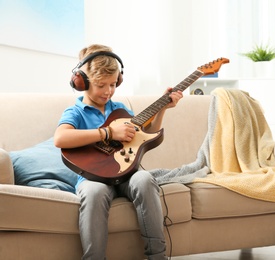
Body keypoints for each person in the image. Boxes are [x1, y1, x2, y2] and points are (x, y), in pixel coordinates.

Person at [54, 44, 183, 260]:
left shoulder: (120, 110)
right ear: (82, 82)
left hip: (126, 174)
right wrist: (108, 133)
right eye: (101, 85)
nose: (108, 91)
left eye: (113, 84)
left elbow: (145, 135)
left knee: (144, 178)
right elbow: (60, 138)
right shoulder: (76, 111)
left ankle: (157, 256)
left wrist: (162, 110)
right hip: (92, 177)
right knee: (93, 192)